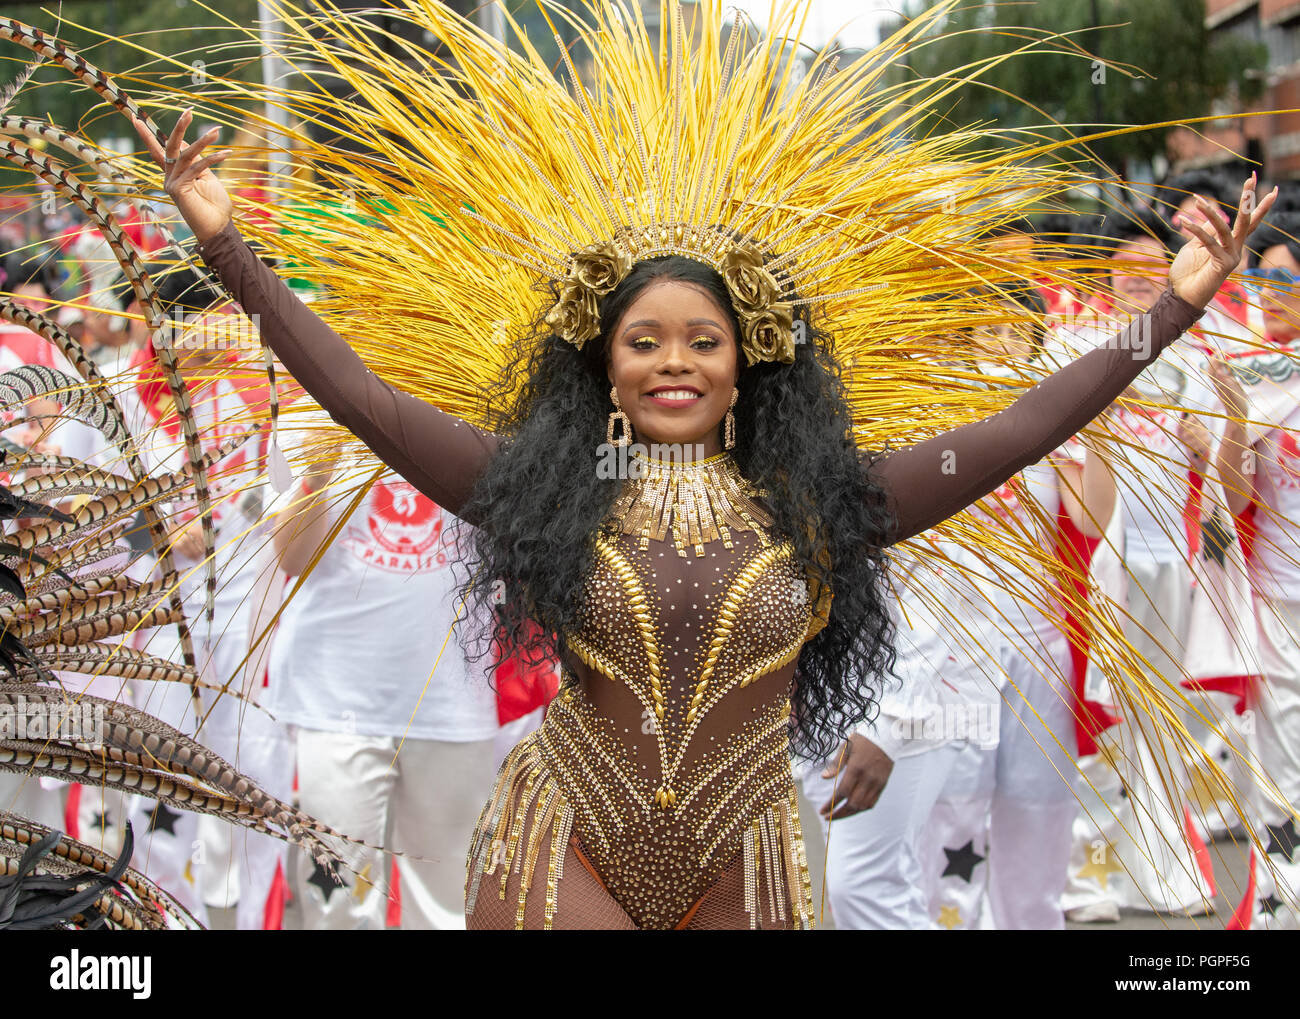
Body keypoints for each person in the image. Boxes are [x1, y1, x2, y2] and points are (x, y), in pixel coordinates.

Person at [132, 15, 1275, 927]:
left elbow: (1026, 425)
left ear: (747, 364)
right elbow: (365, 400)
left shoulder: (828, 499)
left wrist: (1169, 312)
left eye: (701, 340)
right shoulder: (538, 482)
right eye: (644, 341)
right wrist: (227, 250)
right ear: (605, 367)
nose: (673, 360)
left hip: (752, 860)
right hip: (560, 841)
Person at [266, 415, 499, 930]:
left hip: (453, 699)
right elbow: (291, 556)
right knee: (336, 900)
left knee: (446, 904)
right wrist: (318, 475)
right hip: (336, 697)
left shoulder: (480, 403)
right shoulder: (311, 409)